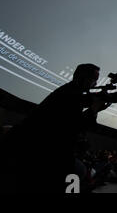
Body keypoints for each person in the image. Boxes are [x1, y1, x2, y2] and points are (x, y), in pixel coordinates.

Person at [1, 63, 111, 193]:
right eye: (94, 79)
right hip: (33, 149)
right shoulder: (72, 95)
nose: (95, 83)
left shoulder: (70, 91)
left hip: (33, 146)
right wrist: (94, 109)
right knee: (77, 172)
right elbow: (76, 125)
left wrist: (94, 108)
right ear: (83, 78)